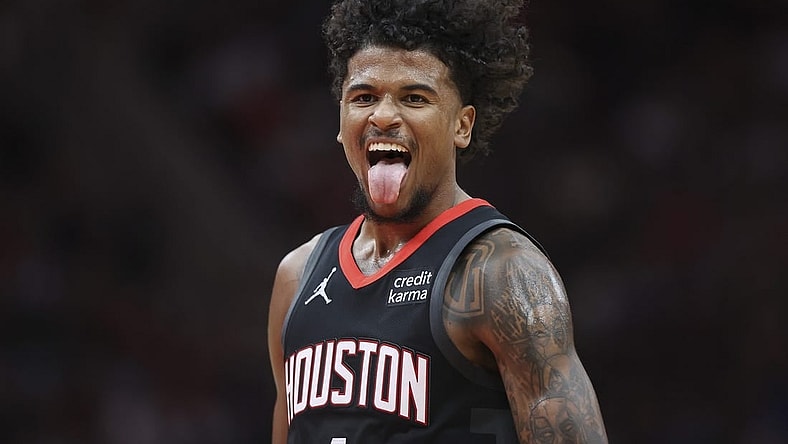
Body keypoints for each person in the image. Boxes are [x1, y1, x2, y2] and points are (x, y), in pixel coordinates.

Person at [267, 0, 608, 442]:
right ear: (340, 119)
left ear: (461, 125)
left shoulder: (502, 274)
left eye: (414, 98)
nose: (384, 116)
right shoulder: (297, 275)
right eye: (364, 97)